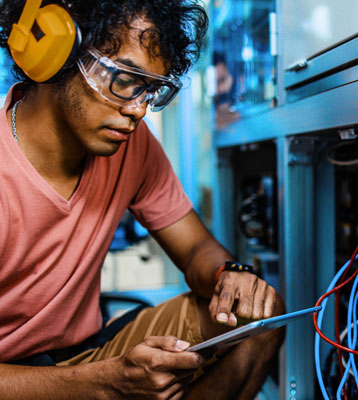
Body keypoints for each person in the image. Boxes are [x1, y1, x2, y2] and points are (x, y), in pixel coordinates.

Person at [0, 1, 284, 399]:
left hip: (83, 352)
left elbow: (196, 247)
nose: (138, 110)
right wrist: (105, 384)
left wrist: (229, 276)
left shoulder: (132, 148)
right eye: (125, 79)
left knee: (258, 319)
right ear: (57, 53)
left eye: (151, 90)